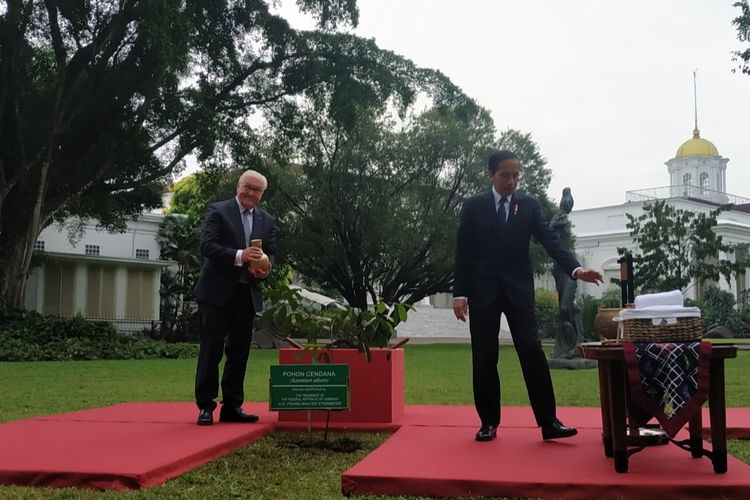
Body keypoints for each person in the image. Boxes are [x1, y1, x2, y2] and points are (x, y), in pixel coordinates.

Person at [452, 150, 603, 442]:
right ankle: (489, 422)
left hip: (519, 292)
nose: (512, 181)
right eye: (505, 175)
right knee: (484, 357)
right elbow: (464, 253)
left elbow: (550, 240)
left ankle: (549, 422)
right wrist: (460, 294)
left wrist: (575, 269)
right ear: (491, 175)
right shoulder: (473, 207)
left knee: (532, 353)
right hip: (483, 292)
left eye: (516, 175)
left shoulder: (529, 206)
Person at [194, 169, 279, 426]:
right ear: (238, 186)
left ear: (262, 195)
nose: (251, 193)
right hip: (216, 293)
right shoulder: (218, 211)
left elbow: (272, 252)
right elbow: (207, 246)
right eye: (248, 187)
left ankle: (232, 405)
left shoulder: (267, 220)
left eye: (257, 190)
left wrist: (265, 269)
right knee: (211, 350)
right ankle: (206, 406)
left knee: (240, 352)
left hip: (246, 294)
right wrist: (240, 256)